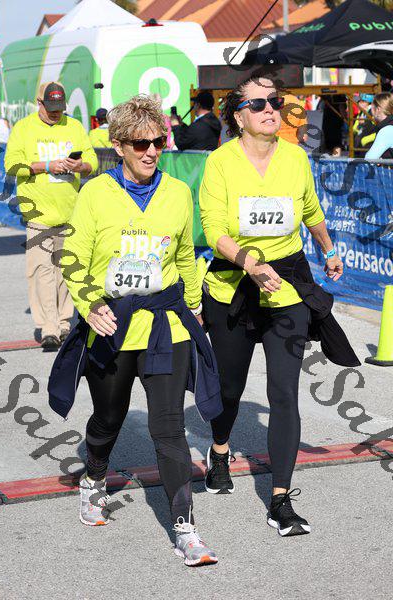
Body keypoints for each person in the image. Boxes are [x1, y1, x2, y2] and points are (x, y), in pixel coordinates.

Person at [48, 95, 221, 566]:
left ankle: (186, 529)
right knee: (109, 417)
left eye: (158, 142)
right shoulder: (95, 194)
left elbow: (185, 255)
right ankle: (94, 476)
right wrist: (90, 304)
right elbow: (73, 259)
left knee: (169, 428)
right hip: (113, 323)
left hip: (165, 324)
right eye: (141, 143)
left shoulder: (178, 193)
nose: (151, 151)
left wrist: (193, 306)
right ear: (119, 145)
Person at [199, 75, 360, 537]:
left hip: (286, 288)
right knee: (229, 388)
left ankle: (280, 499)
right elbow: (214, 229)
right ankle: (220, 449)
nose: (270, 109)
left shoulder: (295, 158)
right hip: (233, 286)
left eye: (274, 101)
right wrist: (250, 263)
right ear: (239, 116)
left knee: (284, 392)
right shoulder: (220, 162)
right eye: (258, 104)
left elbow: (310, 210)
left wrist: (328, 248)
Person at [4, 81, 97, 349]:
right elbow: (12, 165)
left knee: (65, 271)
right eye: (51, 108)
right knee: (41, 270)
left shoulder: (74, 127)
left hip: (70, 212)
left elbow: (92, 162)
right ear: (39, 103)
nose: (56, 113)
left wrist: (80, 165)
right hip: (38, 214)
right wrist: (46, 166)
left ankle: (64, 322)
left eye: (60, 108)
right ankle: (49, 327)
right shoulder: (23, 129)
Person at [365, 93, 393, 160]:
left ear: (378, 109)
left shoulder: (387, 130)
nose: (371, 113)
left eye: (371, 109)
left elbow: (369, 159)